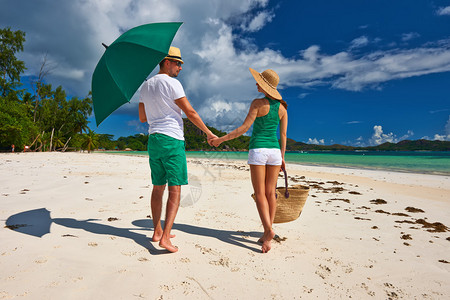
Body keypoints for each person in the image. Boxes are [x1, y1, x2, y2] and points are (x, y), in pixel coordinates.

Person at [139, 46, 217, 253]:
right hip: (171, 139)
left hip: (153, 140)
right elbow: (189, 111)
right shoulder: (172, 83)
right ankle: (165, 238)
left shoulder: (145, 86)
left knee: (158, 187)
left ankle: (157, 231)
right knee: (175, 188)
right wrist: (209, 133)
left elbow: (142, 117)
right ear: (166, 62)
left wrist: (156, 105)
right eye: (178, 63)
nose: (181, 67)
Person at [211, 68, 288, 253]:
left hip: (259, 151)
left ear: (265, 86)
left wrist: (221, 140)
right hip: (275, 153)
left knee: (260, 194)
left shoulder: (257, 104)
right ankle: (266, 235)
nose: (256, 83)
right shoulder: (283, 108)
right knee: (271, 194)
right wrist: (283, 158)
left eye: (259, 81)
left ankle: (269, 230)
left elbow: (244, 128)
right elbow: (283, 135)